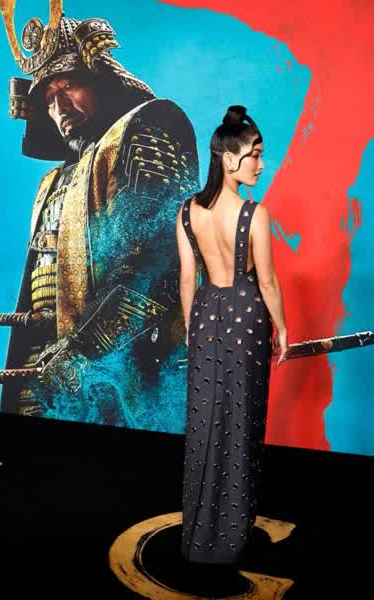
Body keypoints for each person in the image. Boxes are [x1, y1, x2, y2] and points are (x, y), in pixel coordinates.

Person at [0, 5, 200, 423]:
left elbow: (161, 257)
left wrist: (85, 349)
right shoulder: (50, 183)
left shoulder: (148, 127)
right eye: (48, 98)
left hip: (126, 376)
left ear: (102, 82)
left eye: (69, 86)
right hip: (45, 370)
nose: (60, 106)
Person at [176, 105, 287, 564]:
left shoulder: (187, 212)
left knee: (204, 423)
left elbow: (187, 279)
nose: (261, 164)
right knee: (241, 420)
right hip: (246, 317)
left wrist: (192, 329)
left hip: (205, 315)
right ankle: (231, 538)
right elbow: (268, 283)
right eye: (254, 154)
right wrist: (283, 328)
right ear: (227, 159)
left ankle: (198, 535)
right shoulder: (254, 215)